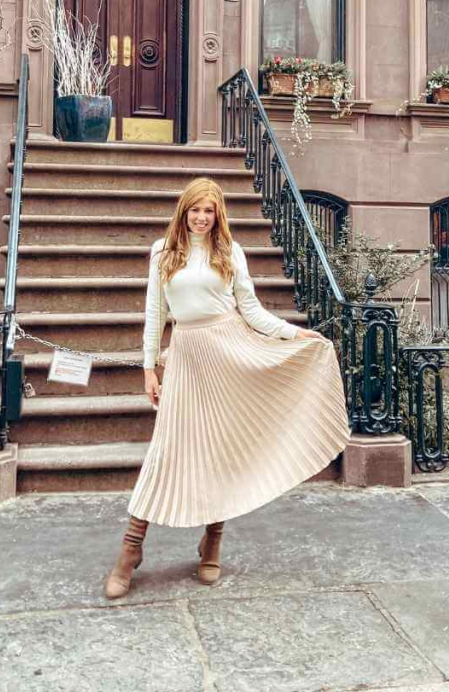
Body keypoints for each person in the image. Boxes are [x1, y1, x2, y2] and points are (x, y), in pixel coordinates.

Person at [104, 176, 350, 599]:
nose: (201, 218)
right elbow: (154, 315)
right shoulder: (162, 253)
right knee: (168, 449)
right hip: (186, 357)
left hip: (231, 351)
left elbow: (252, 312)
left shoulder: (230, 252)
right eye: (194, 210)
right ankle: (130, 551)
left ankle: (212, 539)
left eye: (208, 211)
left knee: (221, 447)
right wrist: (149, 368)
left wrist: (294, 335)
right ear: (183, 212)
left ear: (218, 216)